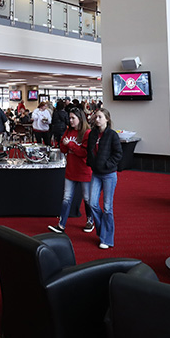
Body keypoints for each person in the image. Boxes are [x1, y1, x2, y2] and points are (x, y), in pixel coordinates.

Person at [48, 107, 94, 234]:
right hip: (71, 170)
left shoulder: (87, 133)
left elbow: (84, 153)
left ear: (80, 118)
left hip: (84, 170)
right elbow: (62, 148)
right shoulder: (68, 131)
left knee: (87, 198)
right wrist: (66, 145)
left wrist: (70, 145)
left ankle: (90, 220)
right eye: (70, 118)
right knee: (66, 198)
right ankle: (61, 225)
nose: (71, 120)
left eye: (73, 118)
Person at [86, 108, 122, 249]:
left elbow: (118, 154)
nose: (97, 119)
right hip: (96, 173)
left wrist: (107, 164)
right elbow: (89, 151)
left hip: (109, 174)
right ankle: (103, 231)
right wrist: (92, 163)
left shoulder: (112, 135)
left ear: (107, 119)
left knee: (107, 207)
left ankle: (106, 238)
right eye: (96, 117)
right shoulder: (93, 134)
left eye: (100, 117)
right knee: (93, 203)